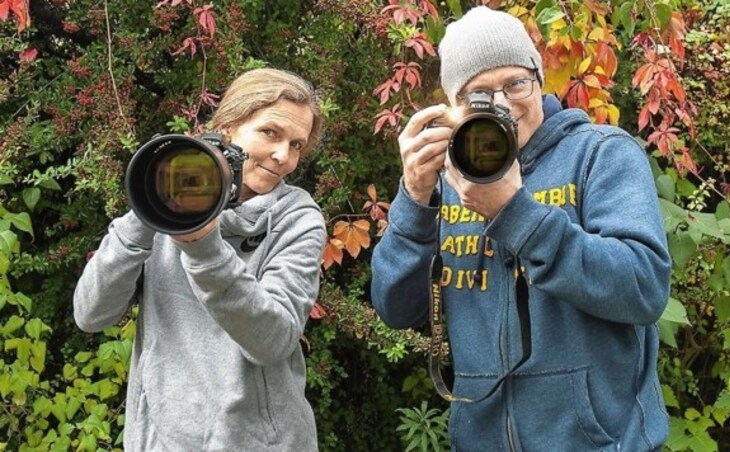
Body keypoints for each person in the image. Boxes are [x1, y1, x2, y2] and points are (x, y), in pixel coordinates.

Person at [371, 6, 672, 451]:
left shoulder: (602, 154)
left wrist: (514, 212)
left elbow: (643, 288)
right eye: (480, 94)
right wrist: (414, 199)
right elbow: (395, 309)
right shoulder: (446, 179)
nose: (504, 105)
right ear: (453, 107)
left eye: (515, 83)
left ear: (539, 77)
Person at [74, 68, 326, 451]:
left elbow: (273, 341)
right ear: (228, 127)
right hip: (161, 439)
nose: (283, 157)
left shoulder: (298, 219)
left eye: (296, 145)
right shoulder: (168, 196)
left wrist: (205, 248)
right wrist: (148, 204)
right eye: (270, 133)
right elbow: (91, 314)